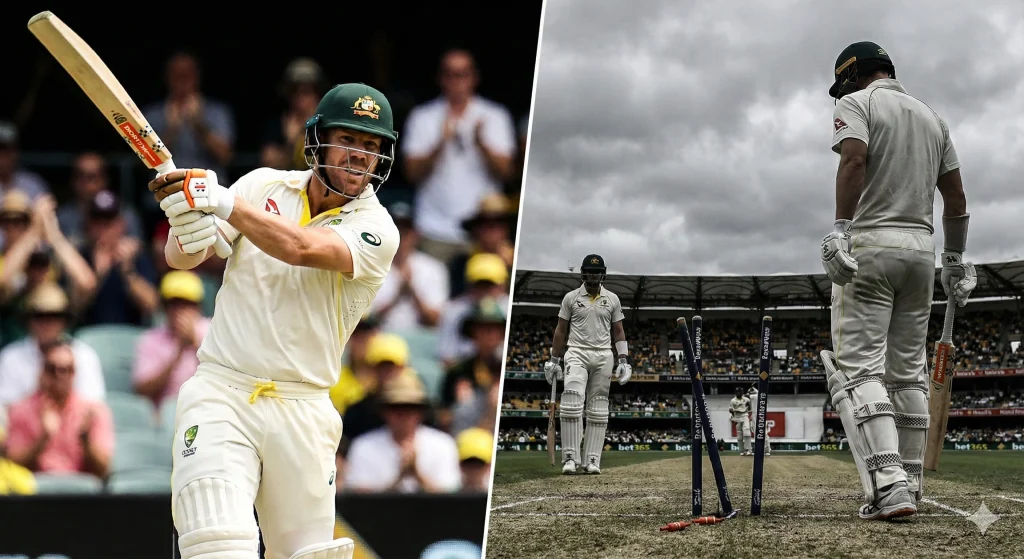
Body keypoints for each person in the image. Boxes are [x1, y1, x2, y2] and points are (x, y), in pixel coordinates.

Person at [149, 83, 401, 559]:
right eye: (348, 140)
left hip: (303, 408)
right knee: (218, 544)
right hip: (223, 390)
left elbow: (302, 248)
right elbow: (184, 258)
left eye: (371, 146)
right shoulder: (260, 185)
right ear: (318, 140)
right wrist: (184, 220)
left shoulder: (379, 229)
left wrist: (222, 202)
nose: (359, 156)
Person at [818, 42, 976, 521]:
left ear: (852, 76)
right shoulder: (933, 117)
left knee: (861, 369)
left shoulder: (857, 103)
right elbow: (956, 196)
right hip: (920, 252)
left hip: (871, 246)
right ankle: (911, 480)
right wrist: (954, 260)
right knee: (907, 372)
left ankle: (888, 485)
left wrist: (840, 230)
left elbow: (854, 162)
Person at [542, 254, 632, 475]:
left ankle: (592, 460)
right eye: (590, 272)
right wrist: (554, 359)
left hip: (603, 354)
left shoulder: (612, 299)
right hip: (576, 352)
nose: (593, 275)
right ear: (583, 273)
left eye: (597, 272)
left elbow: (618, 331)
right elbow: (561, 330)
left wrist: (623, 359)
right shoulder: (571, 298)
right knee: (572, 401)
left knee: (599, 408)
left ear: (603, 273)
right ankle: (571, 458)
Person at [748, 385, 770, 456]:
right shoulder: (758, 395)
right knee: (757, 433)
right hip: (757, 415)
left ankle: (766, 450)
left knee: (763, 433)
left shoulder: (756, 396)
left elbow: (747, 395)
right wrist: (752, 388)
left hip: (759, 415)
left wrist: (749, 389)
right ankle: (762, 450)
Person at [729, 387, 752, 456]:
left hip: (744, 416)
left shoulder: (746, 399)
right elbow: (730, 410)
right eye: (737, 392)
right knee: (739, 435)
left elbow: (750, 408)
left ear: (742, 392)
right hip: (737, 417)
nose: (738, 393)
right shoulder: (733, 400)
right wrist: (733, 417)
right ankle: (742, 451)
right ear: (735, 393)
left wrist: (749, 403)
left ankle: (748, 450)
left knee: (747, 432)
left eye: (740, 392)